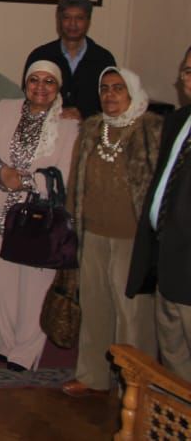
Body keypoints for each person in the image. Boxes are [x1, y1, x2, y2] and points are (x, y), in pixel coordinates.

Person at [0, 60, 79, 371]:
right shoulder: (3, 109)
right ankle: (6, 341)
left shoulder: (68, 124)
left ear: (58, 88)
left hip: (40, 216)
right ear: (25, 83)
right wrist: (1, 171)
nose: (41, 87)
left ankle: (26, 351)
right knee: (5, 282)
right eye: (35, 80)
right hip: (3, 211)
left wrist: (25, 182)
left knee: (35, 286)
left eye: (49, 81)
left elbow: (65, 173)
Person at [62, 68, 160, 395]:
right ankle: (92, 376)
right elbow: (76, 180)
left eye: (118, 88)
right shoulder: (92, 129)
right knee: (94, 307)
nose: (110, 94)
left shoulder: (151, 130)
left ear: (132, 92)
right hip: (93, 233)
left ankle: (135, 385)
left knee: (132, 315)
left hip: (133, 237)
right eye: (104, 88)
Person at [128, 46, 191, 381]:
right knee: (173, 357)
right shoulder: (178, 121)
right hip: (165, 255)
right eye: (186, 72)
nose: (188, 80)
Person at [23, 0, 116, 121]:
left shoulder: (103, 59)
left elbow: (111, 103)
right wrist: (56, 113)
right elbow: (28, 100)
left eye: (79, 18)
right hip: (45, 127)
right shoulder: (40, 56)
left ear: (88, 21)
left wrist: (83, 115)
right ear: (59, 20)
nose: (73, 24)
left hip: (91, 129)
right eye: (67, 18)